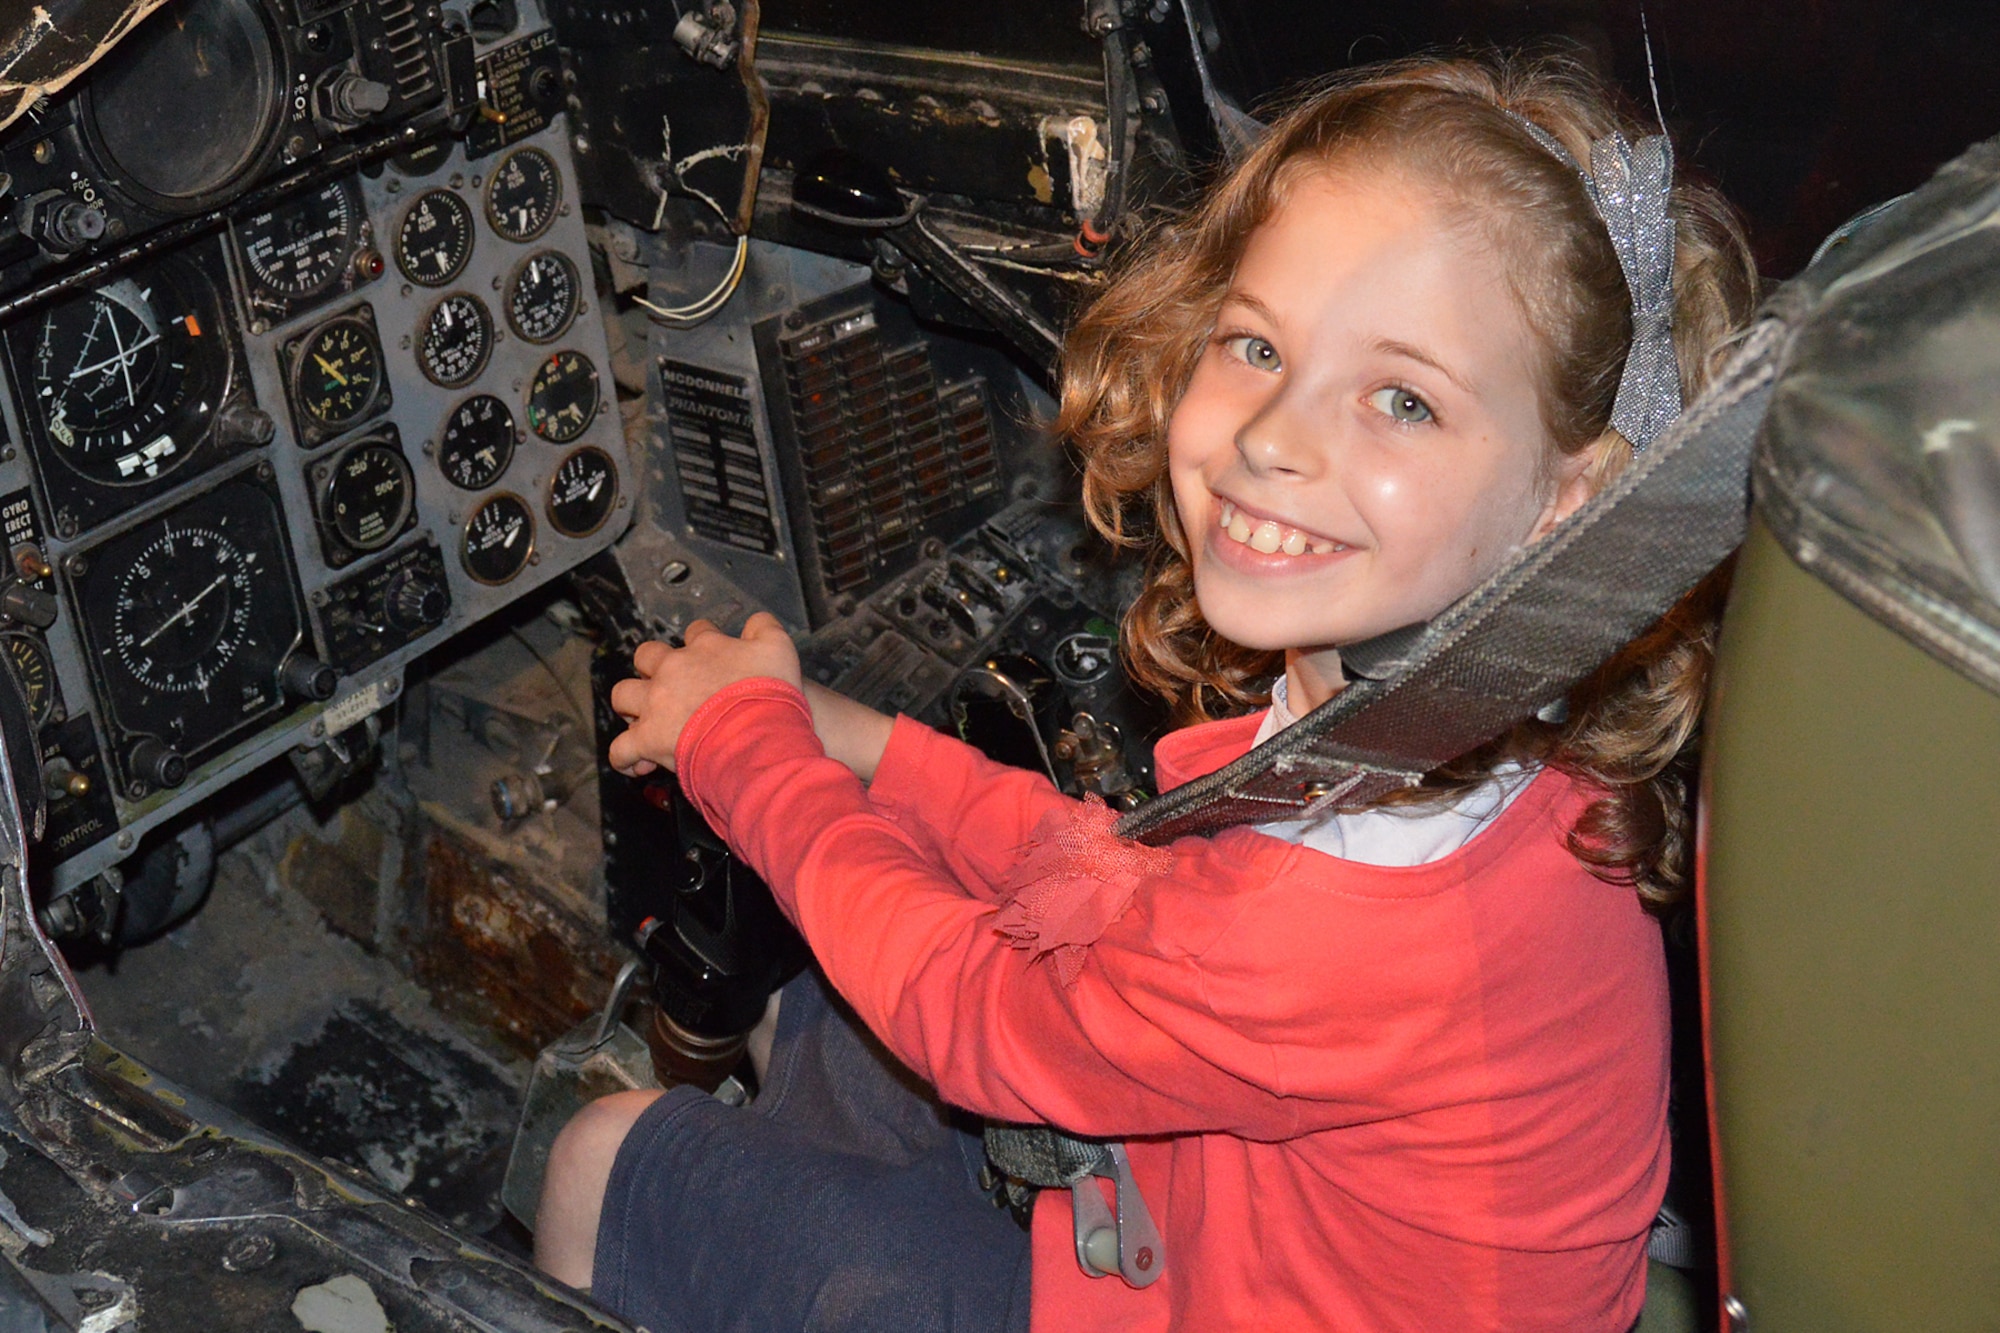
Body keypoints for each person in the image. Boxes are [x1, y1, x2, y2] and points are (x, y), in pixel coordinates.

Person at [536, 52, 1757, 1333]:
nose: (1276, 434)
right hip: (1226, 1227)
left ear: (1563, 503)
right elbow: (1128, 881)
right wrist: (863, 748)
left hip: (1195, 1278)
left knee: (604, 1159)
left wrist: (744, 747)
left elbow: (976, 1015)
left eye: (1402, 399)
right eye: (1256, 344)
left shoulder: (1342, 918)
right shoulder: (1467, 756)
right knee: (816, 1018)